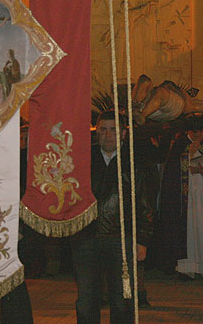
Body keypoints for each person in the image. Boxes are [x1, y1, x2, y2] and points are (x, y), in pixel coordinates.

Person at [70, 111, 153, 324]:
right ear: (96, 132)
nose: (109, 135)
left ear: (124, 133)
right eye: (103, 129)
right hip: (87, 238)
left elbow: (145, 204)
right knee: (87, 301)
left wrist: (142, 240)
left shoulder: (135, 160)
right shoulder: (83, 160)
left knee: (123, 300)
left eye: (114, 129)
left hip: (122, 239)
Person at [158, 129, 203, 281]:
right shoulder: (180, 145)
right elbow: (172, 172)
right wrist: (188, 155)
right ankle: (187, 268)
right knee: (188, 230)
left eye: (200, 131)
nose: (198, 135)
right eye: (194, 131)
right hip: (186, 199)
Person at [131, 74, 203, 125]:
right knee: (144, 79)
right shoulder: (155, 93)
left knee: (160, 93)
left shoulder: (190, 105)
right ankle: (136, 108)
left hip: (173, 108)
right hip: (151, 106)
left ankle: (141, 114)